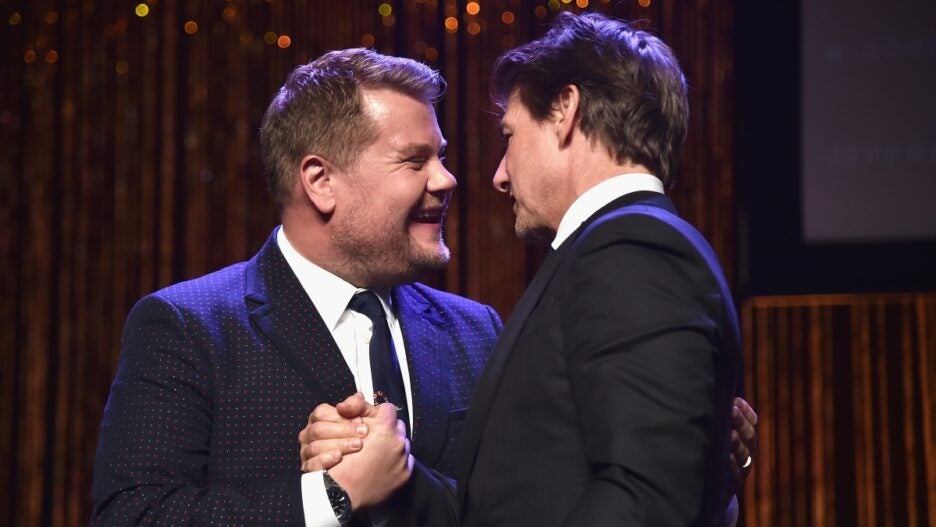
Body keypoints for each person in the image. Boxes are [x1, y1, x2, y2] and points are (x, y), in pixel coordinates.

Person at [91, 48, 501, 526]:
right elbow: (133, 515)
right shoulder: (188, 327)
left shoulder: (476, 330)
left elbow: (522, 507)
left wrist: (406, 480)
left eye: (441, 156)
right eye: (415, 161)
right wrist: (331, 495)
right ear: (321, 181)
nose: (446, 179)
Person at [451, 12, 746, 526]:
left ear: (565, 110)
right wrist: (394, 477)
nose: (500, 175)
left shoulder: (633, 248)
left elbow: (647, 497)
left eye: (508, 135)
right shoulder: (619, 246)